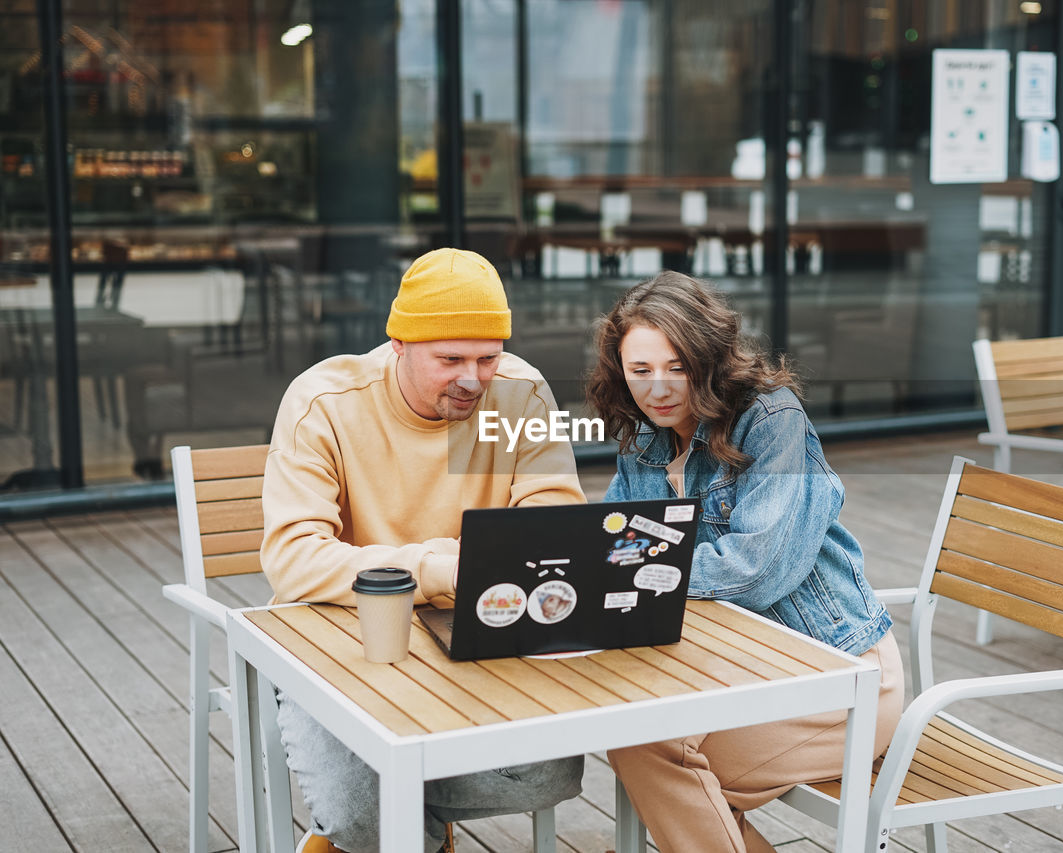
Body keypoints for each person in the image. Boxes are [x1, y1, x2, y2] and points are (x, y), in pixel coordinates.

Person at [260, 247, 586, 853]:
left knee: (552, 773)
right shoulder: (324, 402)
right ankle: (398, 831)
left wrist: (460, 571)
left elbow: (555, 527)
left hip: (473, 634)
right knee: (361, 816)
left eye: (488, 357)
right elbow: (294, 557)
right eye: (450, 359)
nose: (472, 378)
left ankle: (392, 825)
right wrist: (438, 567)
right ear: (399, 344)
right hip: (342, 643)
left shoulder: (521, 395)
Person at [584, 271, 904, 853]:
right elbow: (613, 542)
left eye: (676, 366)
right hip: (736, 671)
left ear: (708, 357)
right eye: (640, 370)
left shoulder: (771, 418)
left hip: (839, 678)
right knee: (644, 746)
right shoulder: (647, 439)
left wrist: (642, 569)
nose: (657, 388)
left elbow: (756, 570)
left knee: (655, 756)